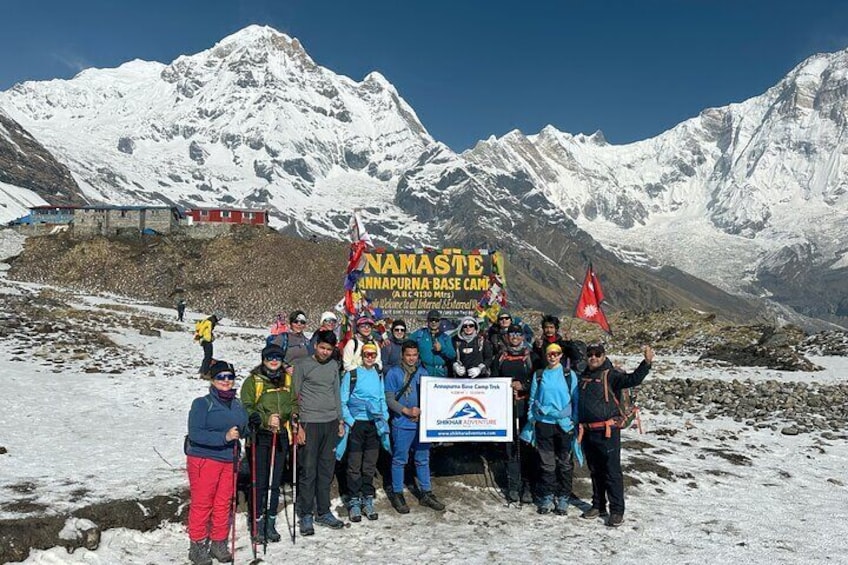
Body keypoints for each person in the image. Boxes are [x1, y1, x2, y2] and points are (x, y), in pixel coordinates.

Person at [578, 343, 654, 527]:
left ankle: (617, 510)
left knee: (611, 471)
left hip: (607, 431)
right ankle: (598, 505)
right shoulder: (584, 375)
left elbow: (633, 379)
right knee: (595, 470)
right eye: (590, 354)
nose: (593, 357)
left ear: (604, 356)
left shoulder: (611, 375)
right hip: (588, 431)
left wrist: (647, 362)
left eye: (597, 354)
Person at [185, 360, 248, 565]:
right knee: (203, 503)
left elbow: (242, 428)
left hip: (229, 459)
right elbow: (195, 434)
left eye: (229, 377)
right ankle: (197, 545)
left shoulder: (237, 404)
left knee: (223, 503)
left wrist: (250, 426)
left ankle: (218, 542)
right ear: (212, 379)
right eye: (221, 377)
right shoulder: (202, 403)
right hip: (204, 458)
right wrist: (224, 438)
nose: (226, 381)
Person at [240, 344, 297, 544]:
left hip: (280, 435)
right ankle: (257, 524)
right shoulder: (253, 381)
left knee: (275, 482)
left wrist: (290, 415)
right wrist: (264, 419)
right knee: (260, 482)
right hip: (260, 436)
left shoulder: (288, 379)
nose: (274, 361)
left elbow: (293, 402)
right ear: (263, 359)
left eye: (278, 357)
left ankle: (270, 522)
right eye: (270, 357)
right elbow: (246, 407)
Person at [293, 330, 346, 535]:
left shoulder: (333, 366)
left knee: (326, 470)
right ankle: (306, 513)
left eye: (329, 349)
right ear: (315, 345)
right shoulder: (302, 365)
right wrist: (298, 426)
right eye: (322, 347)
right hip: (310, 423)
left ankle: (323, 511)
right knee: (308, 470)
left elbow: (336, 393)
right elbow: (294, 396)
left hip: (330, 422)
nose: (325, 352)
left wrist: (340, 420)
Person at [384, 341, 445, 514]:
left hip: (421, 424)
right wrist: (406, 411)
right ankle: (397, 493)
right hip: (402, 423)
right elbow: (389, 399)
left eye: (414, 355)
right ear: (402, 355)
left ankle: (426, 492)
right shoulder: (394, 373)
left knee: (423, 458)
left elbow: (429, 396)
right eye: (408, 355)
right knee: (399, 459)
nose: (411, 358)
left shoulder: (423, 373)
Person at [520, 343, 580, 516]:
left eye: (556, 354)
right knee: (547, 463)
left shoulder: (569, 375)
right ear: (546, 356)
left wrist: (573, 420)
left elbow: (575, 399)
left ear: (561, 356)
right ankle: (547, 496)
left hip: (564, 424)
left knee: (565, 462)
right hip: (544, 423)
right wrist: (532, 418)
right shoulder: (540, 375)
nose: (552, 356)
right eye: (549, 354)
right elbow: (532, 399)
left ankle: (563, 497)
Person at [337, 343, 391, 522]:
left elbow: (382, 397)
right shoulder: (352, 375)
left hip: (374, 424)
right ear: (361, 355)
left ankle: (367, 498)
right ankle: (353, 500)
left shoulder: (378, 373)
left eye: (373, 354)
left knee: (369, 464)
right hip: (357, 424)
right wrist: (351, 422)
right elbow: (342, 400)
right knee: (354, 464)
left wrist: (384, 417)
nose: (370, 357)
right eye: (367, 354)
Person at [492, 323, 538, 503]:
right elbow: (494, 378)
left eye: (518, 334)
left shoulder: (530, 356)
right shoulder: (501, 356)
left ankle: (527, 486)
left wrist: (523, 385)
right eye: (512, 334)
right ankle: (513, 486)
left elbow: (537, 378)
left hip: (526, 406)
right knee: (511, 448)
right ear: (507, 336)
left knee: (526, 446)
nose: (515, 337)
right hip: (507, 407)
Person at [409, 309, 455, 378]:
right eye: (431, 320)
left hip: (441, 373)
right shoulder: (420, 334)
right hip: (424, 372)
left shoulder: (445, 337)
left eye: (436, 320)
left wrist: (442, 348)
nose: (434, 322)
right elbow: (405, 343)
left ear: (440, 322)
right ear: (427, 321)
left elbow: (452, 355)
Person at [194, 312, 223, 377]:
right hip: (206, 340)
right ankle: (204, 372)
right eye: (220, 318)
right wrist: (201, 336)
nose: (219, 320)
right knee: (208, 356)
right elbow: (203, 329)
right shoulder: (210, 321)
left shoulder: (208, 320)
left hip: (204, 340)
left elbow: (201, 328)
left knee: (207, 356)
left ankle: (202, 370)